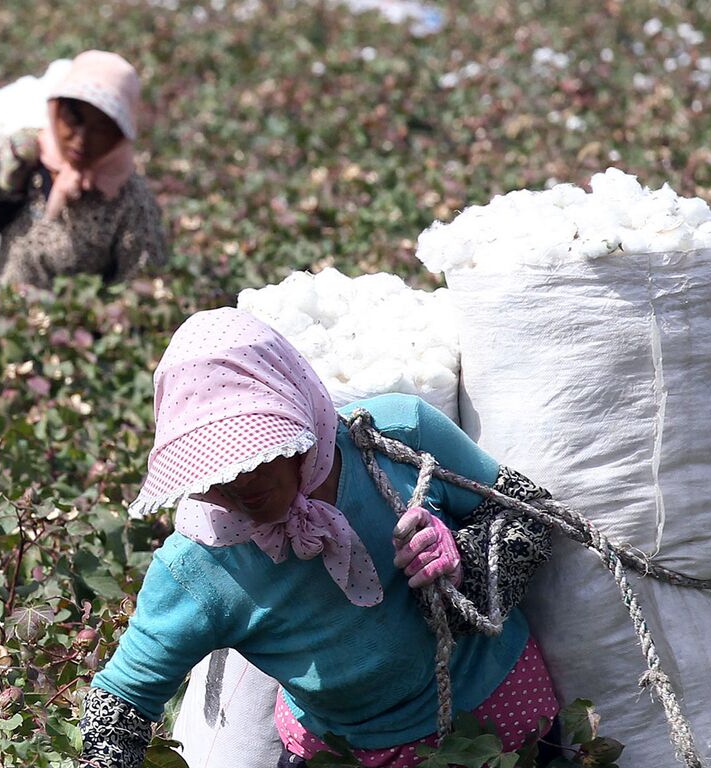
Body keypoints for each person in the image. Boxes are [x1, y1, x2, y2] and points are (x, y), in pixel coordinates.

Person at [78, 308, 562, 768]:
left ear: (296, 409)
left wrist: (466, 565)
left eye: (252, 453)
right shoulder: (200, 566)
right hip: (348, 754)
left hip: (505, 724)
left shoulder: (394, 437)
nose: (237, 485)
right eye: (212, 469)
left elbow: (532, 512)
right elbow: (119, 704)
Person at [0, 51, 170, 291]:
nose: (81, 140)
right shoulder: (29, 158)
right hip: (4, 313)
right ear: (56, 111)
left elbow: (141, 286)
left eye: (100, 129)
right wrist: (7, 181)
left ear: (119, 135)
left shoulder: (130, 199)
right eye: (73, 120)